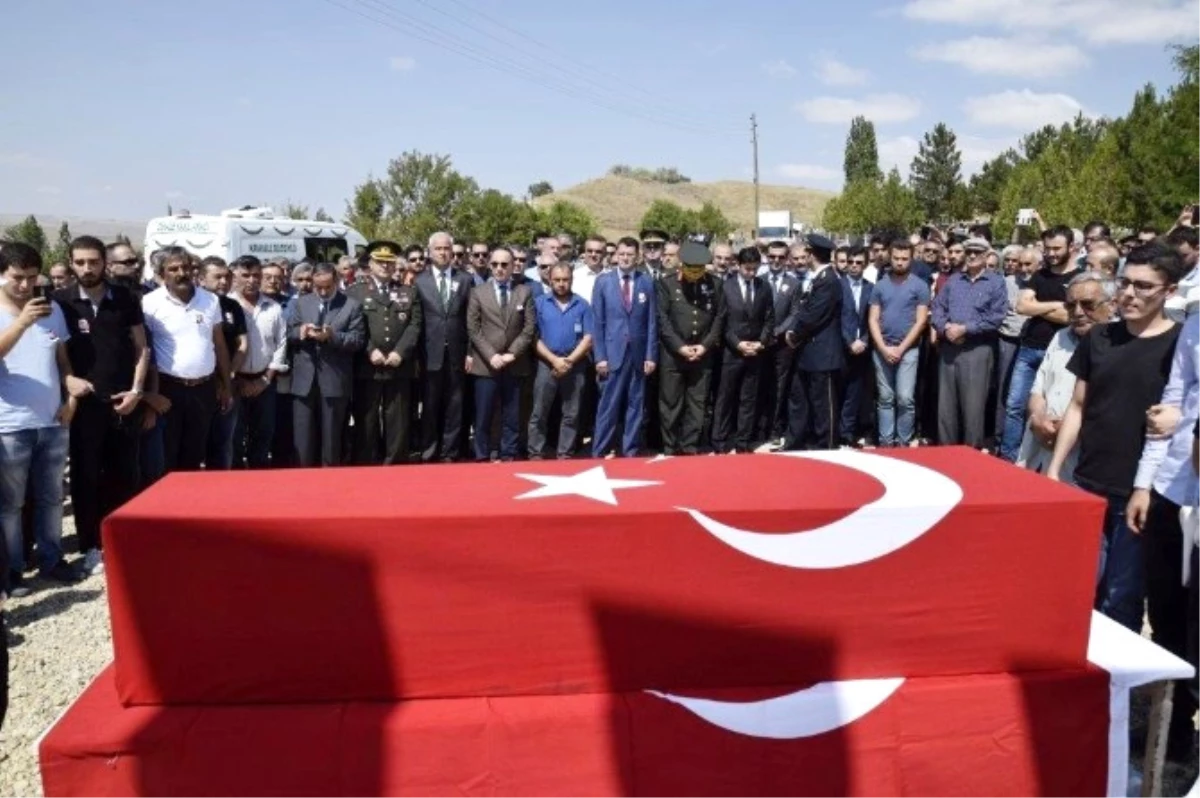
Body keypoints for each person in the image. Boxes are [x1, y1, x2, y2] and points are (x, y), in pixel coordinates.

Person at [1048, 243, 1185, 632]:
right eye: (1125, 283)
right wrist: (1056, 469)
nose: (1129, 294)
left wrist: (1180, 418)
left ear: (1169, 291)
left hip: (1142, 494)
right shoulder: (1099, 339)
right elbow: (1077, 406)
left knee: (1122, 596)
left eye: (1143, 287)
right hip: (1089, 481)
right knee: (1083, 587)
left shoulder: (1180, 348)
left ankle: (1117, 685)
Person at [55, 236, 148, 576]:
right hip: (84, 406)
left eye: (93, 261)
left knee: (124, 474)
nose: (87, 268)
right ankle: (90, 545)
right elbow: (53, 352)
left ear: (104, 263)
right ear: (71, 262)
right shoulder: (59, 302)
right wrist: (68, 382)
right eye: (79, 262)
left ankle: (120, 540)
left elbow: (141, 347)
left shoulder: (124, 298)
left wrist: (137, 390)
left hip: (123, 400)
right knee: (85, 476)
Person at [0, 242, 88, 596]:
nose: (25, 285)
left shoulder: (52, 311)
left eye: (31, 277)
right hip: (9, 425)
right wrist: (21, 322)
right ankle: (14, 570)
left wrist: (70, 397)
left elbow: (62, 360)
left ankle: (52, 560)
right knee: (10, 504)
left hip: (53, 420)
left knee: (52, 498)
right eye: (17, 278)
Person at [1016, 271, 1114, 482]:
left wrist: (1066, 430)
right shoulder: (1060, 337)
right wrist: (1039, 420)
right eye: (1071, 305)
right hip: (1038, 447)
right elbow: (1038, 388)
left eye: (1088, 304)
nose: (1078, 312)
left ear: (1111, 305)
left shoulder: (1118, 347)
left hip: (1082, 460)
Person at [141, 247, 233, 472]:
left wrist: (226, 386)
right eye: (173, 269)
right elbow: (145, 350)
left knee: (194, 454)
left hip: (203, 389)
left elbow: (219, 344)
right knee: (167, 456)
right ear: (162, 273)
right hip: (168, 389)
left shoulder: (210, 300)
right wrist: (149, 394)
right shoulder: (149, 303)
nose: (181, 273)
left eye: (185, 267)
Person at [1000, 226, 1080, 460]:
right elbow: (1022, 306)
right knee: (1015, 405)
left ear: (1071, 247)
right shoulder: (1039, 275)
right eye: (1048, 249)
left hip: (1061, 352)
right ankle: (1010, 457)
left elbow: (1071, 316)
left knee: (1051, 410)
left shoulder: (1079, 279)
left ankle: (1043, 459)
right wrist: (1056, 305)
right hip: (1029, 349)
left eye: (1057, 248)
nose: (1052, 253)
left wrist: (1039, 307)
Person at [345, 242, 422, 465]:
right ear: (370, 264)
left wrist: (401, 351)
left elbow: (415, 325)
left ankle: (395, 462)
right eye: (380, 262)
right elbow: (354, 325)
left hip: (399, 365)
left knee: (397, 418)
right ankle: (366, 462)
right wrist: (370, 350)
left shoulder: (407, 291)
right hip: (368, 365)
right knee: (366, 418)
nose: (385, 266)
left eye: (389, 262)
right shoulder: (355, 292)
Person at [930, 238, 1008, 448]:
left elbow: (997, 316)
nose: (972, 256)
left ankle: (970, 455)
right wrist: (945, 328)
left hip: (977, 349)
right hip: (949, 347)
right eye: (969, 252)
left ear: (986, 256)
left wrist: (965, 328)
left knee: (973, 408)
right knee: (946, 408)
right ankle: (946, 453)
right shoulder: (954, 281)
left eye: (977, 252)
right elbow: (937, 308)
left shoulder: (996, 282)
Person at [286, 263, 365, 467]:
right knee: (303, 438)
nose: (322, 291)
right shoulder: (301, 303)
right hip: (304, 380)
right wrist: (301, 332)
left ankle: (330, 479)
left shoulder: (351, 305)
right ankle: (303, 477)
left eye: (327, 287)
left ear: (336, 282)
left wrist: (332, 336)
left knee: (331, 438)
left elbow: (357, 340)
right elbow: (288, 333)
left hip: (334, 379)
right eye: (317, 286)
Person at [655, 241, 726, 455]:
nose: (695, 274)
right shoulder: (666, 284)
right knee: (671, 403)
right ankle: (670, 446)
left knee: (697, 404)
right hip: (673, 355)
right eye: (691, 269)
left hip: (702, 355)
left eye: (699, 269)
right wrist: (679, 347)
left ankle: (690, 446)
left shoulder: (715, 284)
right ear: (681, 265)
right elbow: (662, 320)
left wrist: (705, 346)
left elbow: (719, 318)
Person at [466, 247, 536, 462]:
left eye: (504, 264)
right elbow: (473, 328)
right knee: (484, 415)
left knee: (512, 416)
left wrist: (512, 354)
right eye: (495, 264)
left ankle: (509, 455)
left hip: (514, 365)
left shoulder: (524, 292)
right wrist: (491, 355)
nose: (499, 269)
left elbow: (529, 328)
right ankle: (482, 455)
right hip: (486, 365)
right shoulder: (478, 292)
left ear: (513, 265)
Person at [591, 237, 658, 457]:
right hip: (612, 354)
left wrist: (651, 355)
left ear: (637, 256)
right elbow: (597, 322)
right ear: (615, 255)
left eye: (630, 254)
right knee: (608, 407)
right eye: (621, 254)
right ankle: (600, 451)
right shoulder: (603, 282)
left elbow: (651, 322)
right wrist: (599, 356)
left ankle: (630, 451)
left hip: (638, 354)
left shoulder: (646, 282)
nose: (625, 258)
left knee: (635, 406)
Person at [413, 232, 473, 462]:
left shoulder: (465, 279)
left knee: (454, 405)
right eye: (438, 248)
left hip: (457, 353)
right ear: (430, 252)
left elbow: (470, 319)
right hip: (429, 354)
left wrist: (469, 352)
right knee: (429, 405)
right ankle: (429, 451)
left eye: (447, 248)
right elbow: (416, 320)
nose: (443, 252)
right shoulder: (420, 281)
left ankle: (450, 452)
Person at [783, 234, 844, 451]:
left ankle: (826, 445)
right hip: (808, 352)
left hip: (822, 353)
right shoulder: (818, 278)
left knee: (823, 404)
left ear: (812, 254)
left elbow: (814, 315)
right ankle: (796, 442)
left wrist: (793, 333)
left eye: (807, 253)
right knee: (800, 399)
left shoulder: (828, 280)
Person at [529, 264, 594, 459]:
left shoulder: (582, 305)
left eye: (565, 280)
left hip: (575, 364)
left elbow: (588, 338)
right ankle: (535, 453)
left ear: (571, 280)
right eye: (557, 280)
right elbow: (533, 337)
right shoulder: (539, 303)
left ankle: (565, 453)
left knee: (571, 414)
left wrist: (569, 361)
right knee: (539, 412)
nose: (561, 284)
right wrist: (554, 360)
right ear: (550, 280)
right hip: (546, 363)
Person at [868, 240, 929, 447]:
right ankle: (886, 442)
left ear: (911, 259)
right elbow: (873, 319)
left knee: (905, 398)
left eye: (904, 259)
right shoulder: (880, 286)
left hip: (908, 350)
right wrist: (883, 348)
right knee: (885, 398)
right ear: (890, 258)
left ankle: (903, 443)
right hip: (882, 348)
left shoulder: (920, 286)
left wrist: (902, 348)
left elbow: (921, 321)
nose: (900, 262)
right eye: (896, 258)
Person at [230, 256, 288, 469]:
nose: (252, 280)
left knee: (262, 437)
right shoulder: (225, 306)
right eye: (246, 275)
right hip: (234, 382)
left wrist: (264, 380)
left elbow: (281, 346)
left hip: (265, 382)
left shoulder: (273, 308)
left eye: (256, 275)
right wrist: (235, 380)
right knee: (234, 438)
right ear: (234, 276)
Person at [713, 246, 773, 454]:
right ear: (738, 266)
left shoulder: (764, 287)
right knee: (725, 398)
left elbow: (768, 318)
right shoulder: (725, 287)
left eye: (754, 269)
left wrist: (761, 342)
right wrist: (737, 343)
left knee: (749, 398)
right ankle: (720, 441)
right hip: (732, 352)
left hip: (755, 352)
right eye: (747, 269)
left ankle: (742, 441)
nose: (751, 273)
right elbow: (722, 320)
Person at [199, 257, 248, 470]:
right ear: (201, 279)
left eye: (227, 276)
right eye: (217, 277)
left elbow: (242, 344)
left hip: (228, 383)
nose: (223, 281)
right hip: (201, 384)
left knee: (223, 442)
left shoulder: (232, 306)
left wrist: (228, 375)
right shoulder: (196, 304)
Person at [758, 242, 800, 446]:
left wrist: (778, 331)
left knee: (780, 387)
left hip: (782, 344)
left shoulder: (793, 283)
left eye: (781, 257)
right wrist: (764, 334)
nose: (776, 261)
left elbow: (795, 312)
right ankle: (759, 428)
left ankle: (775, 429)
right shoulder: (759, 280)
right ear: (766, 257)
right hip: (760, 343)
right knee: (759, 387)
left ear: (787, 259)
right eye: (772, 257)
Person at [839, 245, 874, 447]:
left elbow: (876, 319)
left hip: (863, 348)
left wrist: (865, 341)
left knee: (855, 393)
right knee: (840, 391)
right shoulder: (837, 285)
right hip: (842, 347)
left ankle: (848, 433)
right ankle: (836, 433)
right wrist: (849, 341)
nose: (853, 266)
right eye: (850, 262)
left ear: (865, 264)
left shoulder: (872, 287)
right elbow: (837, 318)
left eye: (858, 263)